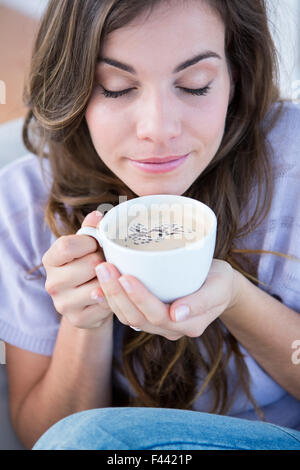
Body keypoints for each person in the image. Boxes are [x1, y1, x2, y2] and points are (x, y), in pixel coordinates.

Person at [0, 0, 300, 451]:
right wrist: (86, 320)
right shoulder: (23, 205)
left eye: (195, 85)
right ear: (75, 85)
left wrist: (236, 299)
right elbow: (45, 438)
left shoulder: (290, 166)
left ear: (235, 75)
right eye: (116, 87)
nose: (158, 129)